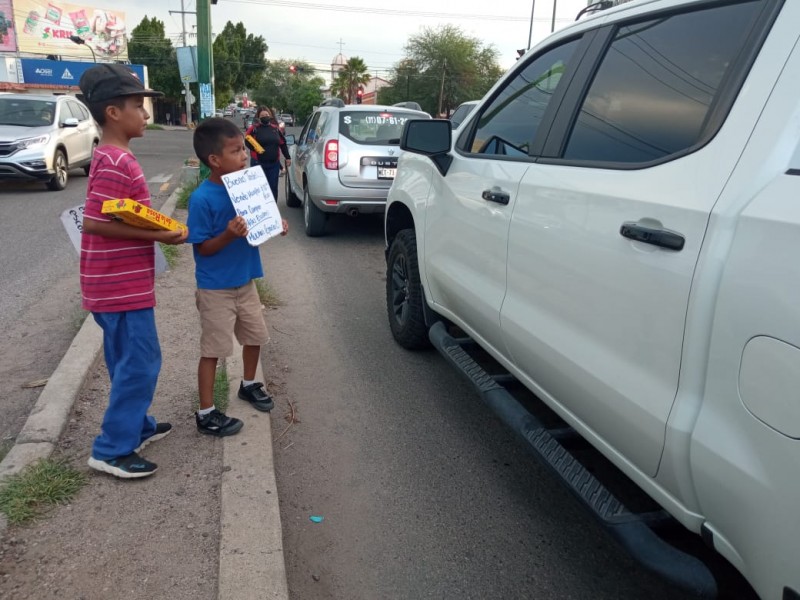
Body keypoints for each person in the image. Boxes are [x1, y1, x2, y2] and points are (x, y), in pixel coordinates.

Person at [77, 64, 189, 479]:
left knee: (126, 360)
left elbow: (121, 216)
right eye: (137, 106)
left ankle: (137, 425)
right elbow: (92, 221)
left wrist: (159, 228)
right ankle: (111, 449)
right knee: (140, 364)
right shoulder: (113, 162)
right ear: (112, 113)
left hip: (121, 283)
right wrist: (160, 235)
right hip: (118, 287)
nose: (145, 114)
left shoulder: (116, 156)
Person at [187, 118, 289, 437]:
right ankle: (206, 413)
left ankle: (249, 384)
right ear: (215, 161)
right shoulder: (203, 199)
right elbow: (203, 248)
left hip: (245, 282)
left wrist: (275, 225)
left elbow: (256, 229)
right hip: (215, 288)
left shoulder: (246, 187)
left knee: (255, 336)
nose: (244, 155)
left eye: (243, 148)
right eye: (235, 151)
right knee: (213, 350)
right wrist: (229, 235)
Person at [244, 105, 290, 199]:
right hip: (258, 163)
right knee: (259, 189)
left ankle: (273, 210)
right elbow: (247, 140)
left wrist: (287, 157)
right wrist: (256, 148)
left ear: (270, 116)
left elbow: (282, 143)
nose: (265, 116)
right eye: (262, 115)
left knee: (273, 188)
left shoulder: (275, 129)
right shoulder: (254, 129)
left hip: (274, 164)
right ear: (259, 117)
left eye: (267, 114)